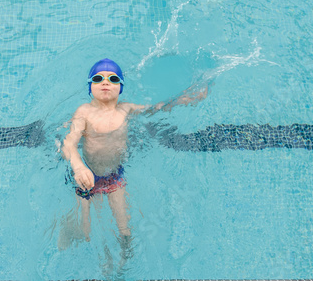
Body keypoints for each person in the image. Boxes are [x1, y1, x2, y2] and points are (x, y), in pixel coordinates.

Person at [60, 58, 207, 246]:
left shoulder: (126, 109)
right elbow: (69, 143)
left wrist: (183, 100)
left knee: (125, 232)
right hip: (87, 177)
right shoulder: (84, 112)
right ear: (90, 86)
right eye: (98, 78)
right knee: (85, 232)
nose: (105, 82)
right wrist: (79, 167)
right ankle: (67, 228)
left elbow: (155, 109)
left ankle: (122, 265)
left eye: (113, 79)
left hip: (114, 176)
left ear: (120, 87)